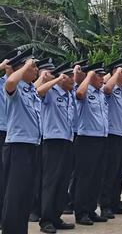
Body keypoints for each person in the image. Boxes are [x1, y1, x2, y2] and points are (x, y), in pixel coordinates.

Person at [2, 49, 41, 234]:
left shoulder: (31, 89)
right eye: (33, 67)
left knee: (26, 193)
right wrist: (25, 64)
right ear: (22, 69)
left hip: (32, 145)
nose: (36, 70)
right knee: (15, 194)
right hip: (18, 146)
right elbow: (9, 82)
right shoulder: (15, 89)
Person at [37, 62, 76, 233]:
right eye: (70, 77)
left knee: (62, 181)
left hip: (67, 140)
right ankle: (46, 219)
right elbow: (38, 91)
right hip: (53, 141)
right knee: (51, 182)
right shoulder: (51, 92)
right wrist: (55, 79)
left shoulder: (69, 95)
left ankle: (56, 216)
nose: (74, 80)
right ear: (62, 77)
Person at [74, 62, 109, 226]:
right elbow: (79, 93)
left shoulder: (101, 94)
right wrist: (87, 75)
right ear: (91, 76)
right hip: (87, 139)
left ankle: (91, 209)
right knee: (85, 177)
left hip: (101, 138)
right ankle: (81, 212)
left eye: (103, 75)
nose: (102, 78)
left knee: (97, 177)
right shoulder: (84, 90)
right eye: (99, 75)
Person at [99, 59, 122, 219]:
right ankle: (105, 205)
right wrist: (114, 74)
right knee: (109, 172)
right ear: (113, 73)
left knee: (120, 172)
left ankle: (116, 202)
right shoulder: (110, 88)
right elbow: (106, 88)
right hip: (112, 135)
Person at [30, 59, 57, 224]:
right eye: (47, 72)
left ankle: (42, 208)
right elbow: (38, 91)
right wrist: (45, 79)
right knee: (36, 175)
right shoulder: (33, 86)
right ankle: (34, 209)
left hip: (42, 136)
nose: (50, 75)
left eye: (52, 72)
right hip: (36, 137)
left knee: (45, 175)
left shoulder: (52, 88)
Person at [65, 60, 88, 214]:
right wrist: (75, 72)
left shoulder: (81, 88)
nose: (82, 74)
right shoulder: (72, 88)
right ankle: (66, 201)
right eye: (80, 71)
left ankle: (71, 200)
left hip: (74, 133)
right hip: (69, 132)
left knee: (75, 170)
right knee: (69, 171)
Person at [0, 49, 18, 230]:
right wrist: (2, 67)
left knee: (9, 180)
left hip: (13, 134)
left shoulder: (22, 85)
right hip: (2, 130)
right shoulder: (2, 83)